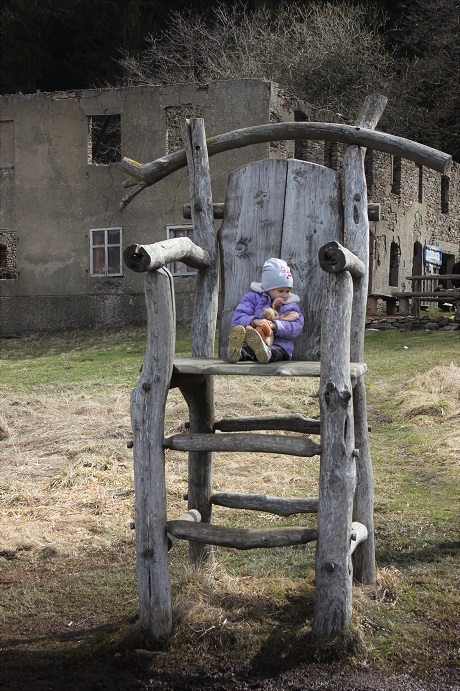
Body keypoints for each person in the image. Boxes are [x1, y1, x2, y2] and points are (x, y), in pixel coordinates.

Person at [227, 258, 304, 364]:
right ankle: (237, 352)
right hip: (254, 341)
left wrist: (276, 326)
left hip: (280, 345)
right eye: (280, 291)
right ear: (268, 288)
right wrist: (255, 321)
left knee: (277, 351)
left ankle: (267, 353)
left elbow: (297, 326)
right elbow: (237, 318)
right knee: (249, 349)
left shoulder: (291, 305)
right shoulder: (252, 298)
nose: (285, 295)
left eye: (288, 291)